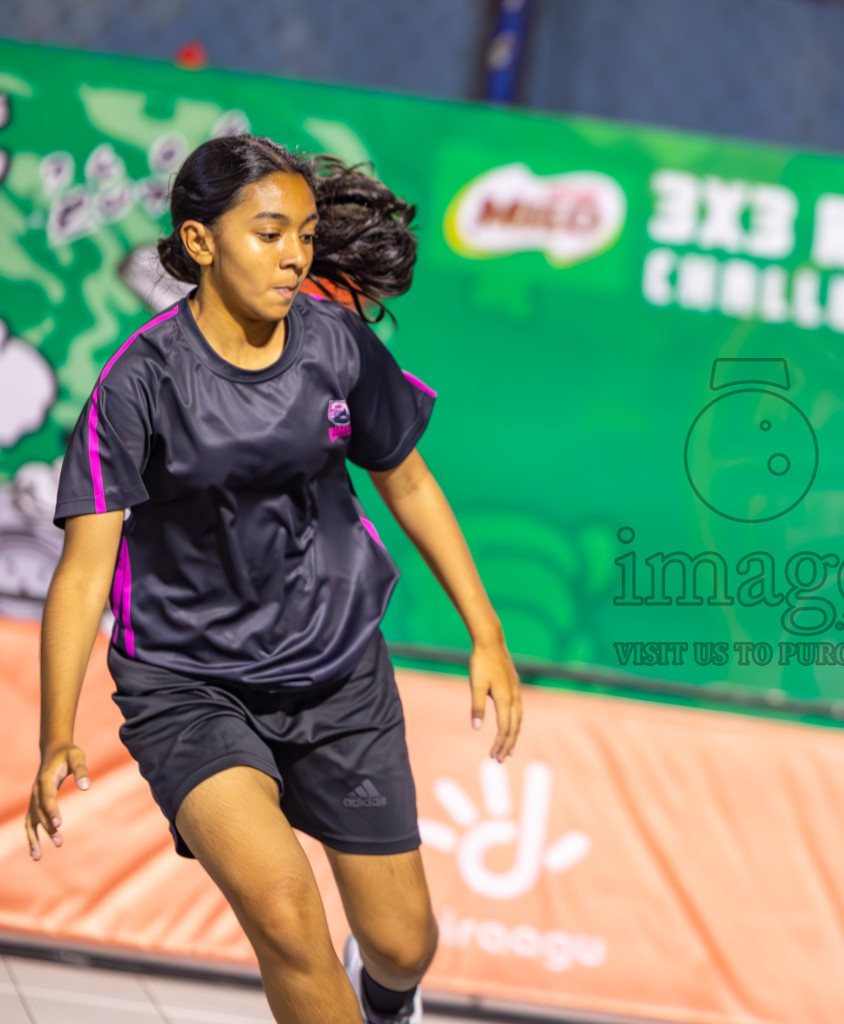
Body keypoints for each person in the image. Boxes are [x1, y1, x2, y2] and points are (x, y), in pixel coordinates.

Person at [24, 135, 522, 1024]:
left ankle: (384, 995)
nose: (294, 253)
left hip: (336, 673)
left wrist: (486, 631)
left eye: (302, 233)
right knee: (287, 917)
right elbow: (83, 572)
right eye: (268, 233)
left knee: (406, 944)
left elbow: (406, 478)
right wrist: (55, 729)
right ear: (202, 242)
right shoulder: (137, 384)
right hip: (191, 686)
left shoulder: (335, 347)